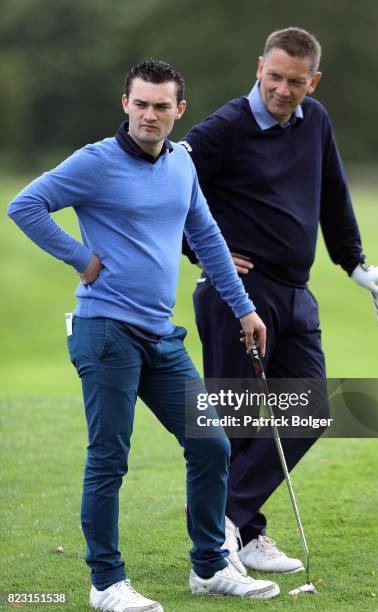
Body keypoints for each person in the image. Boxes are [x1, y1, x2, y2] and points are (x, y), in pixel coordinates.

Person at [7, 59, 282, 611]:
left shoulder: (182, 162)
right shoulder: (95, 162)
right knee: (109, 458)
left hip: (161, 336)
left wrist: (245, 309)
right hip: (105, 332)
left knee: (210, 445)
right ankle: (106, 583)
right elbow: (25, 205)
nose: (149, 115)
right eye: (141, 103)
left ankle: (209, 568)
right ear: (125, 104)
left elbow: (205, 235)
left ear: (179, 111)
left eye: (161, 106)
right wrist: (81, 258)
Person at [181, 27, 378, 575]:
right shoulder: (226, 126)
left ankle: (230, 520)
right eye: (273, 76)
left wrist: (354, 262)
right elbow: (166, 182)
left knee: (311, 409)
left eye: (295, 81)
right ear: (259, 68)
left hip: (297, 295)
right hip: (238, 293)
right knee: (239, 421)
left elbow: (333, 195)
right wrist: (198, 251)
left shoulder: (315, 120)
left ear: (313, 81)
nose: (281, 89)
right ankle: (230, 536)